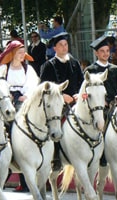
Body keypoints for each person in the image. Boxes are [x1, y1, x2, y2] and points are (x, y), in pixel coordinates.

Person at [0, 40, 39, 192]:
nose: (22, 56)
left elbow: (33, 84)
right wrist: (11, 95)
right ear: (13, 53)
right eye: (20, 53)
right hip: (7, 102)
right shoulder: (3, 69)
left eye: (23, 53)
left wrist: (25, 95)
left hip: (24, 101)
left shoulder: (28, 69)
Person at [40, 32, 84, 171]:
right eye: (61, 45)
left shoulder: (75, 63)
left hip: (76, 102)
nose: (64, 48)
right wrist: (62, 96)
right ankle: (56, 156)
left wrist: (78, 94)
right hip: (57, 104)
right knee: (55, 123)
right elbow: (44, 88)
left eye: (66, 45)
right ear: (55, 48)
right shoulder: (48, 65)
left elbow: (82, 82)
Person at [85, 35, 117, 166]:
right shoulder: (90, 70)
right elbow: (85, 91)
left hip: (115, 106)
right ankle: (101, 155)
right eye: (102, 51)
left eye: (107, 51)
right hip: (97, 108)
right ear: (96, 53)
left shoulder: (114, 69)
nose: (105, 54)